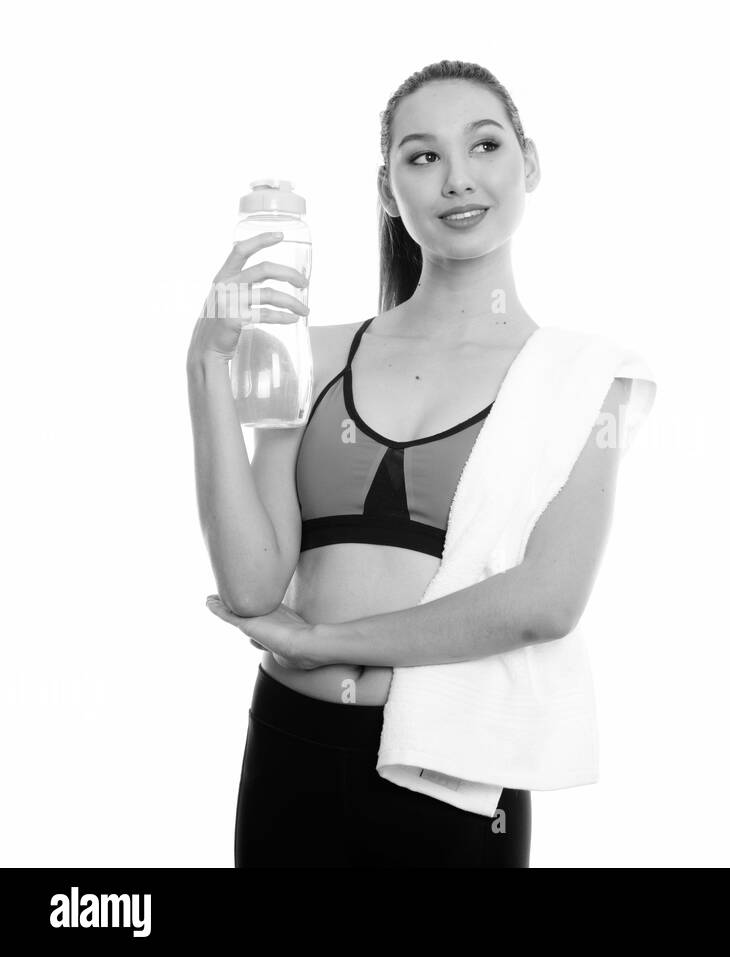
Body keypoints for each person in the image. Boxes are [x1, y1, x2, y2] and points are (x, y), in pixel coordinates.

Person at [187, 60, 632, 867]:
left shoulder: (582, 383)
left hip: (452, 782)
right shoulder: (318, 356)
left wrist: (324, 639)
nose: (457, 179)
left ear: (529, 162)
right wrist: (204, 371)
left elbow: (545, 603)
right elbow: (253, 586)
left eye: (485, 145)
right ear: (389, 190)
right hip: (292, 751)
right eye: (422, 157)